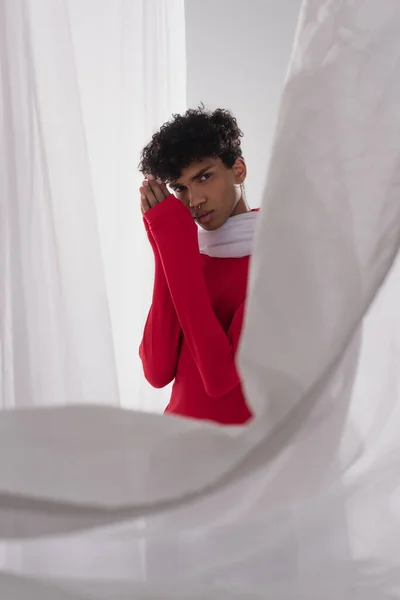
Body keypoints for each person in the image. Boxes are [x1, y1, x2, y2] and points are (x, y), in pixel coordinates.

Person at [138, 106, 259, 425]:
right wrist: (162, 243)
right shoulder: (187, 253)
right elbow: (157, 371)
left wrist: (176, 249)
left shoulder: (275, 258)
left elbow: (220, 380)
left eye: (204, 177)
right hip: (175, 450)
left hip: (240, 455)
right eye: (180, 187)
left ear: (239, 170)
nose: (194, 200)